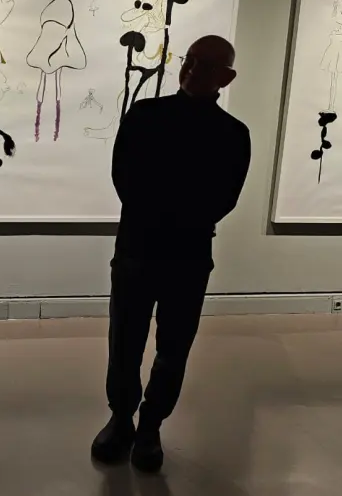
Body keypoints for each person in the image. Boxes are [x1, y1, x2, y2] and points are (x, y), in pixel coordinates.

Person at [90, 35, 251, 473]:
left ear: (227, 78)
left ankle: (151, 425)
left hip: (188, 256)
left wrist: (173, 215)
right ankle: (121, 417)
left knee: (174, 347)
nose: (193, 70)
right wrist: (168, 214)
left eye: (206, 65)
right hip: (137, 249)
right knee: (124, 342)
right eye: (190, 60)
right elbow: (123, 176)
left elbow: (225, 196)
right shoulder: (144, 115)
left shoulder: (233, 134)